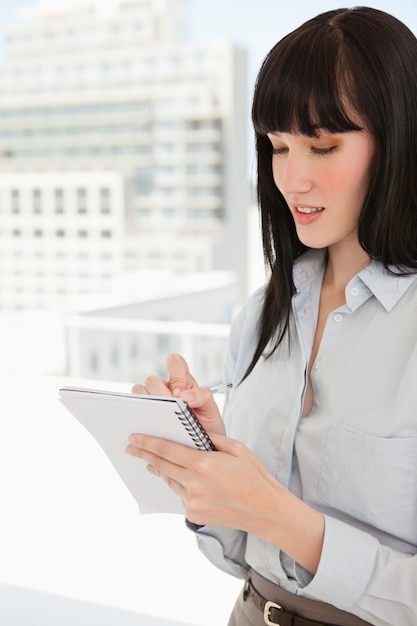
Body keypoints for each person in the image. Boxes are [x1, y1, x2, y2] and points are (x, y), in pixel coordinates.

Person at [126, 7, 417, 626]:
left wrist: (277, 514)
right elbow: (242, 554)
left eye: (323, 145)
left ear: (400, 140)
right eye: (278, 147)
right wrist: (209, 464)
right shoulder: (263, 313)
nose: (291, 178)